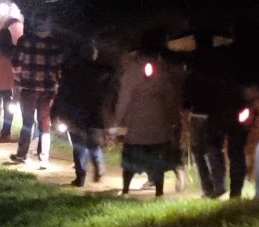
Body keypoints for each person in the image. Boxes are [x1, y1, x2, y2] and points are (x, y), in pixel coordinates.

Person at [114, 32, 184, 196]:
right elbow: (170, 98)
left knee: (131, 161)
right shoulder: (162, 70)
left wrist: (118, 123)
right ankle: (158, 192)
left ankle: (125, 191)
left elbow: (124, 98)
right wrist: (173, 120)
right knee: (157, 160)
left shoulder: (133, 69)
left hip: (137, 124)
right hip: (158, 124)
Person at [185, 32, 248, 199]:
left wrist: (186, 106)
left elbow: (188, 90)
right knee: (235, 150)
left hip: (205, 112)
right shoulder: (226, 59)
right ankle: (235, 191)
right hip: (230, 109)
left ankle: (213, 186)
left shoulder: (194, 62)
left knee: (207, 149)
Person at [55, 40, 116, 187]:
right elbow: (110, 84)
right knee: (93, 143)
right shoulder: (101, 72)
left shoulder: (71, 71)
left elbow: (62, 93)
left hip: (74, 113)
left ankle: (80, 176)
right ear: (94, 56)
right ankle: (98, 165)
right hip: (94, 113)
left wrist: (57, 111)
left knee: (78, 146)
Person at [9, 12, 66, 166]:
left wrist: (20, 74)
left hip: (28, 87)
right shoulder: (55, 44)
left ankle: (22, 155)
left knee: (27, 122)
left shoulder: (24, 41)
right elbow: (59, 69)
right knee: (45, 122)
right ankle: (44, 157)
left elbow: (15, 65)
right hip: (48, 89)